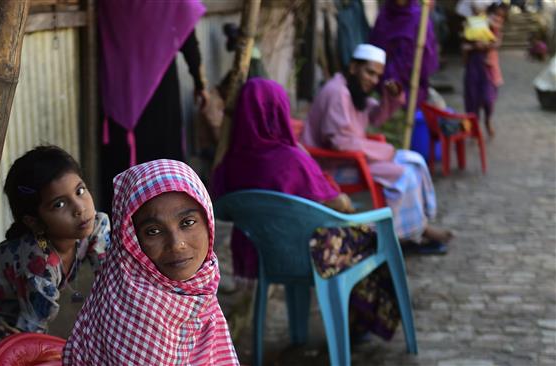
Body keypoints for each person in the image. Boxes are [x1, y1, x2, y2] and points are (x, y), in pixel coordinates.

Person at [212, 78, 400, 341]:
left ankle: (325, 330)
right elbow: (339, 204)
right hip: (309, 253)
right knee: (372, 237)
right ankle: (361, 323)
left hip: (261, 254)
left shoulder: (230, 163)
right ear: (279, 112)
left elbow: (221, 207)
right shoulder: (291, 159)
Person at [63, 159, 238, 365]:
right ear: (130, 240)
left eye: (187, 223)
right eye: (153, 231)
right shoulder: (135, 318)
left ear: (208, 220)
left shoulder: (199, 284)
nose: (177, 244)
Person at [0, 146, 111, 365]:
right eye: (59, 204)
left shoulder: (96, 225)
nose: (80, 208)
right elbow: (28, 339)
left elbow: (111, 283)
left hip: (16, 314)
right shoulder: (39, 263)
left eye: (80, 191)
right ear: (34, 221)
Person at [301, 44, 453, 253]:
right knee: (404, 173)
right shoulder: (337, 92)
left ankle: (417, 227)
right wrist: (383, 151)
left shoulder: (352, 90)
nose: (373, 80)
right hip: (335, 163)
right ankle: (403, 237)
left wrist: (392, 98)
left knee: (415, 161)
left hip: (355, 157)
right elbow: (341, 143)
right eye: (369, 72)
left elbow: (376, 117)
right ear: (354, 67)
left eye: (377, 76)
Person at [98, 0, 209, 214]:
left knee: (123, 157)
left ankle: (124, 220)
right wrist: (199, 81)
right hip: (159, 87)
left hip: (119, 87)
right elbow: (186, 34)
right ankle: (168, 215)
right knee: (162, 155)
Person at [369, 0, 439, 109]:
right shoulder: (384, 16)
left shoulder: (419, 18)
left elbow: (428, 58)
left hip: (411, 89)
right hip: (383, 89)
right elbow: (374, 50)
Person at [461, 1, 506, 137]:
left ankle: (487, 120)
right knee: (472, 97)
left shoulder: (492, 26)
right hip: (472, 66)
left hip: (488, 68)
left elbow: (497, 43)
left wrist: (486, 45)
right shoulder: (468, 24)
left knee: (488, 98)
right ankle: (473, 127)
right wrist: (472, 47)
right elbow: (463, 47)